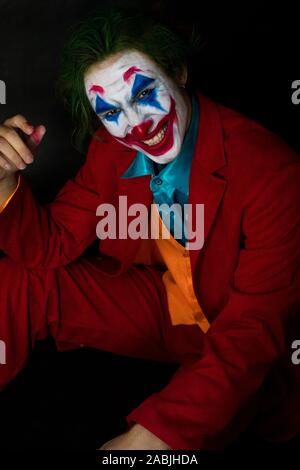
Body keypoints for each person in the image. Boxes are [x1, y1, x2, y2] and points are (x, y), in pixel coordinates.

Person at [0, 8, 299, 450]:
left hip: (254, 347)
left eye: (143, 93)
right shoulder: (110, 148)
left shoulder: (274, 171)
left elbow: (253, 334)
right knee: (20, 281)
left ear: (178, 72)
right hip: (171, 311)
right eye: (111, 110)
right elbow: (53, 243)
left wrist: (149, 440)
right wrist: (3, 178)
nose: (136, 123)